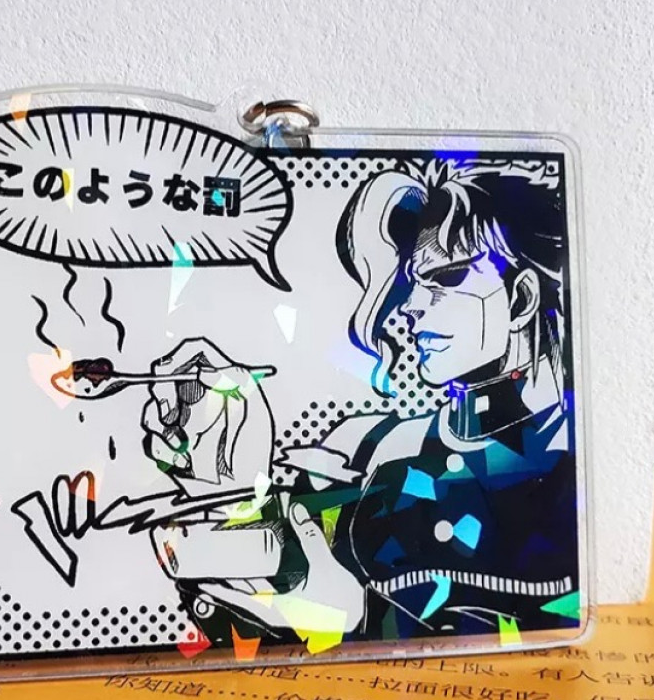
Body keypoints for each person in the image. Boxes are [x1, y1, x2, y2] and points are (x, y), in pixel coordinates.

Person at [140, 159, 580, 646]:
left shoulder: (573, 471)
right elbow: (248, 624)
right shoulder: (364, 447)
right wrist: (231, 482)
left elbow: (539, 640)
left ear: (520, 299)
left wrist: (360, 620)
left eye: (444, 279)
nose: (410, 307)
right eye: (415, 283)